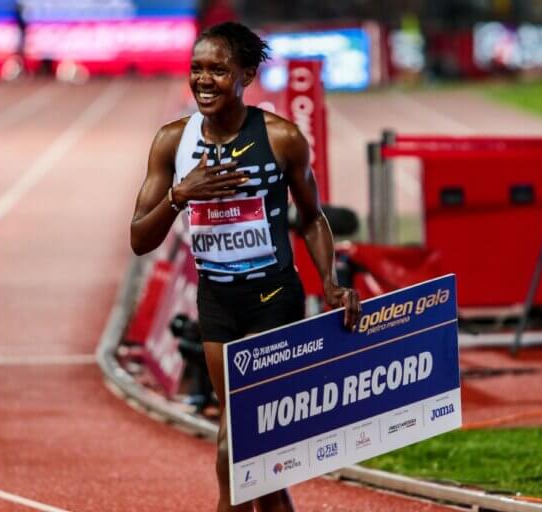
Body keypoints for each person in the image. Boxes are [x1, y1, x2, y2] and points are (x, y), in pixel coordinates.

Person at [130, 22, 360, 512]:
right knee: (261, 453)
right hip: (216, 302)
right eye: (197, 69)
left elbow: (312, 217)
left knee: (237, 442)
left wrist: (332, 283)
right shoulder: (173, 142)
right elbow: (138, 239)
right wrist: (179, 196)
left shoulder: (282, 139)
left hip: (274, 300)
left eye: (218, 69)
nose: (204, 80)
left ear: (247, 75)